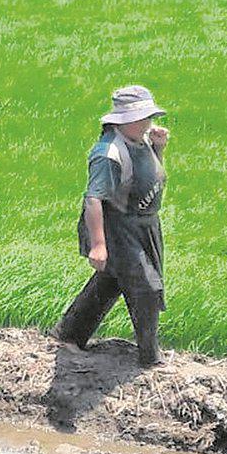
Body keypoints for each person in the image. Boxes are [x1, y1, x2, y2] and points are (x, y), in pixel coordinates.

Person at [50, 85, 171, 367]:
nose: (148, 123)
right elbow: (94, 199)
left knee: (113, 280)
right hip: (119, 228)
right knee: (147, 289)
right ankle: (150, 357)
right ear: (124, 120)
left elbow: (150, 180)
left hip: (144, 226)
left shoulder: (141, 141)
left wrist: (158, 149)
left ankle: (68, 334)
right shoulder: (108, 154)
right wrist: (99, 245)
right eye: (143, 117)